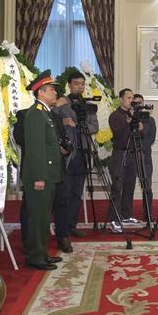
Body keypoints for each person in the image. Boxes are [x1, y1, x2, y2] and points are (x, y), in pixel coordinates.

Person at [51, 69, 99, 253]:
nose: (80, 87)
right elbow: (52, 121)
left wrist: (76, 124)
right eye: (76, 84)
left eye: (82, 84)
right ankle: (61, 232)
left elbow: (94, 127)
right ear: (69, 85)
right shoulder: (62, 103)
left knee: (76, 194)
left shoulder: (88, 105)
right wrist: (59, 113)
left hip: (84, 153)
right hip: (67, 154)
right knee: (64, 194)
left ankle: (71, 226)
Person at [20, 70, 64, 271]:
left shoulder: (44, 113)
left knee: (44, 217)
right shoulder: (35, 114)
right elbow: (35, 148)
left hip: (48, 175)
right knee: (37, 218)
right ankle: (34, 257)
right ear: (41, 93)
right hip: (40, 176)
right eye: (52, 90)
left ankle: (42, 253)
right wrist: (39, 177)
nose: (55, 93)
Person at [108, 88, 139, 229]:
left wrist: (140, 128)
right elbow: (118, 135)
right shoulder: (115, 115)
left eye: (132, 98)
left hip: (132, 155)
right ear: (121, 99)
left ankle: (126, 216)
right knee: (117, 188)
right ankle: (114, 219)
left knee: (129, 187)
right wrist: (127, 123)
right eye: (128, 98)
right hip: (120, 154)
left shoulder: (134, 115)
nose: (131, 100)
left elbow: (141, 137)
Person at [133, 93, 157, 217]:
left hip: (145, 156)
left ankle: (148, 213)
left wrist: (141, 149)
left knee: (147, 186)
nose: (138, 105)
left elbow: (151, 139)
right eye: (135, 103)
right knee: (127, 186)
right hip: (130, 156)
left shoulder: (150, 120)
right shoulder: (128, 118)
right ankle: (124, 214)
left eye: (140, 103)